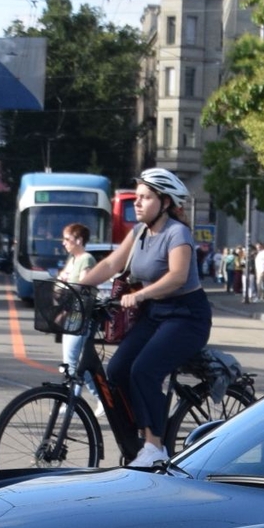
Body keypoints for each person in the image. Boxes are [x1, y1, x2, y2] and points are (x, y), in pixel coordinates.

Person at [78, 169, 211, 469]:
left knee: (144, 369)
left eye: (145, 197)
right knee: (117, 369)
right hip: (156, 314)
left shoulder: (177, 233)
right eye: (136, 197)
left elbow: (177, 277)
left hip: (186, 316)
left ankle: (155, 446)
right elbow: (112, 262)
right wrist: (78, 286)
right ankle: (138, 437)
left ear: (165, 201)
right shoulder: (139, 232)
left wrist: (139, 295)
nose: (137, 203)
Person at [53, 222, 96, 374]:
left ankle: (71, 396)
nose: (63, 242)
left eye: (67, 239)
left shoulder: (86, 259)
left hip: (79, 316)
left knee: (71, 363)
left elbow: (84, 289)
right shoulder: (72, 259)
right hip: (71, 315)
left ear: (79, 240)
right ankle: (100, 396)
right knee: (76, 363)